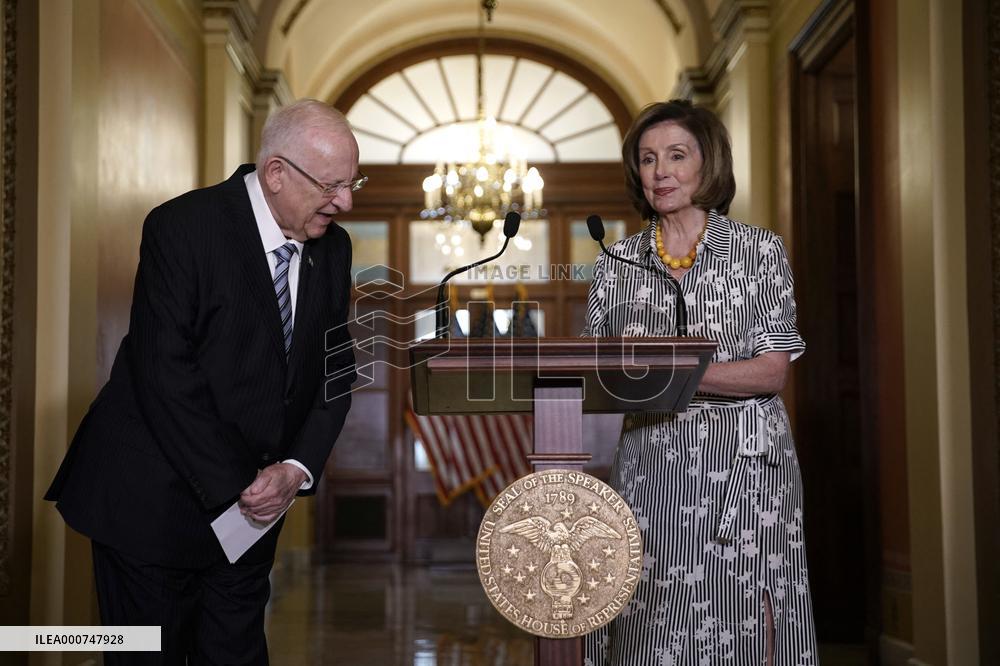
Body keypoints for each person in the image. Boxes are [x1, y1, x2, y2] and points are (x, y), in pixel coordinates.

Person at [45, 99, 360, 664]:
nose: (346, 201)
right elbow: (165, 373)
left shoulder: (333, 248)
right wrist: (244, 485)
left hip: (252, 518)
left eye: (353, 181)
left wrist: (295, 469)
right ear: (277, 173)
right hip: (148, 504)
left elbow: (337, 368)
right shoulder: (182, 227)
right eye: (332, 184)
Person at [583, 99, 818, 665]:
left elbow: (771, 370)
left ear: (707, 163)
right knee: (648, 622)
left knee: (748, 625)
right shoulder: (617, 261)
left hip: (747, 473)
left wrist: (674, 372)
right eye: (647, 159)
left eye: (676, 155)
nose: (660, 171)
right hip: (652, 469)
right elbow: (598, 369)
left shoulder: (760, 250)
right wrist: (672, 375)